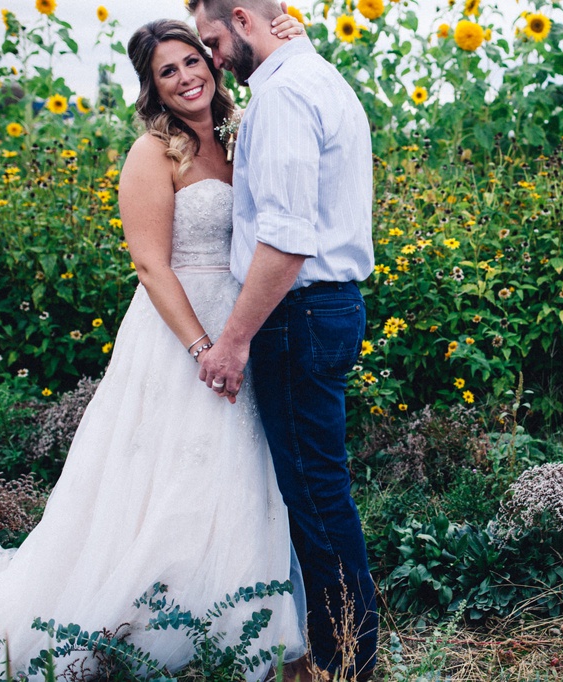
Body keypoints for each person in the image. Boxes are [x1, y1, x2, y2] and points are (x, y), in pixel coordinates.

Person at [0, 15, 309, 682]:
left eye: (191, 61)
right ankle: (143, 616)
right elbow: (150, 266)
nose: (185, 78)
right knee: (166, 473)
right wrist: (203, 346)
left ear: (212, 61)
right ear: (153, 89)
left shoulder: (242, 132)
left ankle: (234, 615)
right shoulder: (153, 152)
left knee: (241, 469)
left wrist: (295, 35)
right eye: (166, 72)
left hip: (242, 326)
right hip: (178, 333)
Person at [187, 1, 378, 679]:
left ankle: (344, 661)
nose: (210, 59)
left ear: (242, 17)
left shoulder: (285, 96)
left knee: (318, 495)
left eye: (210, 41)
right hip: (322, 309)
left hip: (297, 313)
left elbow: (288, 238)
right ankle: (338, 648)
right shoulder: (312, 76)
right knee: (318, 486)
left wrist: (234, 339)